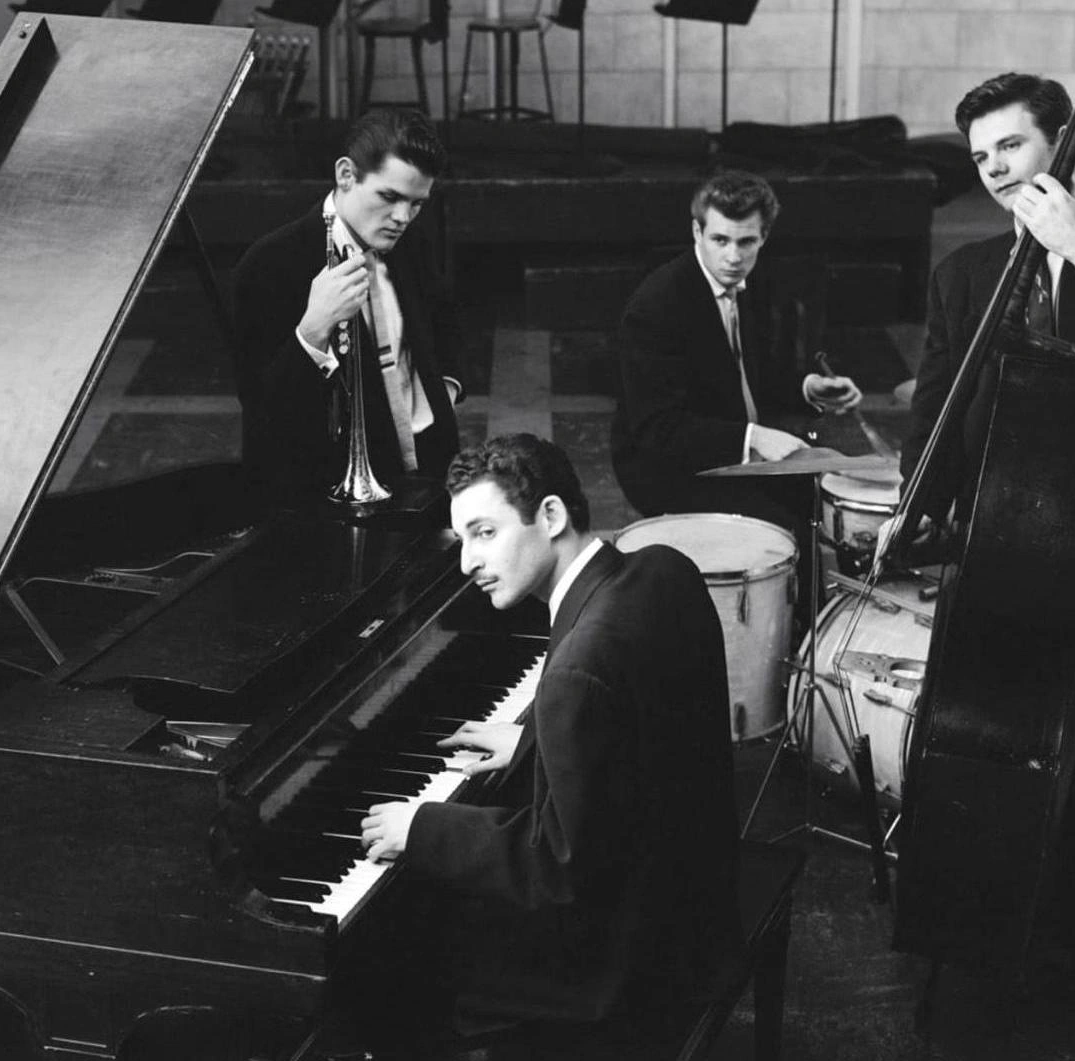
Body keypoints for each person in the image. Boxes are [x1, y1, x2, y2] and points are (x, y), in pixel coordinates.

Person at [897, 72, 1075, 1029]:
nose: (995, 169)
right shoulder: (965, 274)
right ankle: (976, 937)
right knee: (980, 747)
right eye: (980, 157)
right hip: (996, 553)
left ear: (1062, 139)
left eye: (1009, 145)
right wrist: (913, 506)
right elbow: (936, 411)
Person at [356, 433, 740, 1043]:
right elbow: (646, 724)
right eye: (461, 539)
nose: (467, 563)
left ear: (553, 515)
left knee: (397, 952)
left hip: (627, 958)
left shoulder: (576, 671)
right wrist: (537, 740)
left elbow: (557, 865)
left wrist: (422, 827)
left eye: (485, 533)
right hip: (695, 894)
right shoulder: (663, 568)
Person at [231, 108, 464, 509]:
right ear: (345, 175)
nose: (402, 218)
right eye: (389, 197)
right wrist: (313, 329)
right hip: (325, 495)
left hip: (428, 471)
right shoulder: (268, 263)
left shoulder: (412, 240)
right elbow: (262, 411)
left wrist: (443, 396)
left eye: (416, 203)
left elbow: (445, 323)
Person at [611, 168, 863, 524]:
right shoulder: (655, 306)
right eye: (720, 240)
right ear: (697, 232)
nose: (733, 257)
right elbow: (658, 428)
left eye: (746, 242)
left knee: (815, 497)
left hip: (729, 450)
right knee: (782, 523)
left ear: (763, 237)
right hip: (667, 468)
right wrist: (753, 437)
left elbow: (750, 374)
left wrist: (808, 388)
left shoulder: (749, 281)